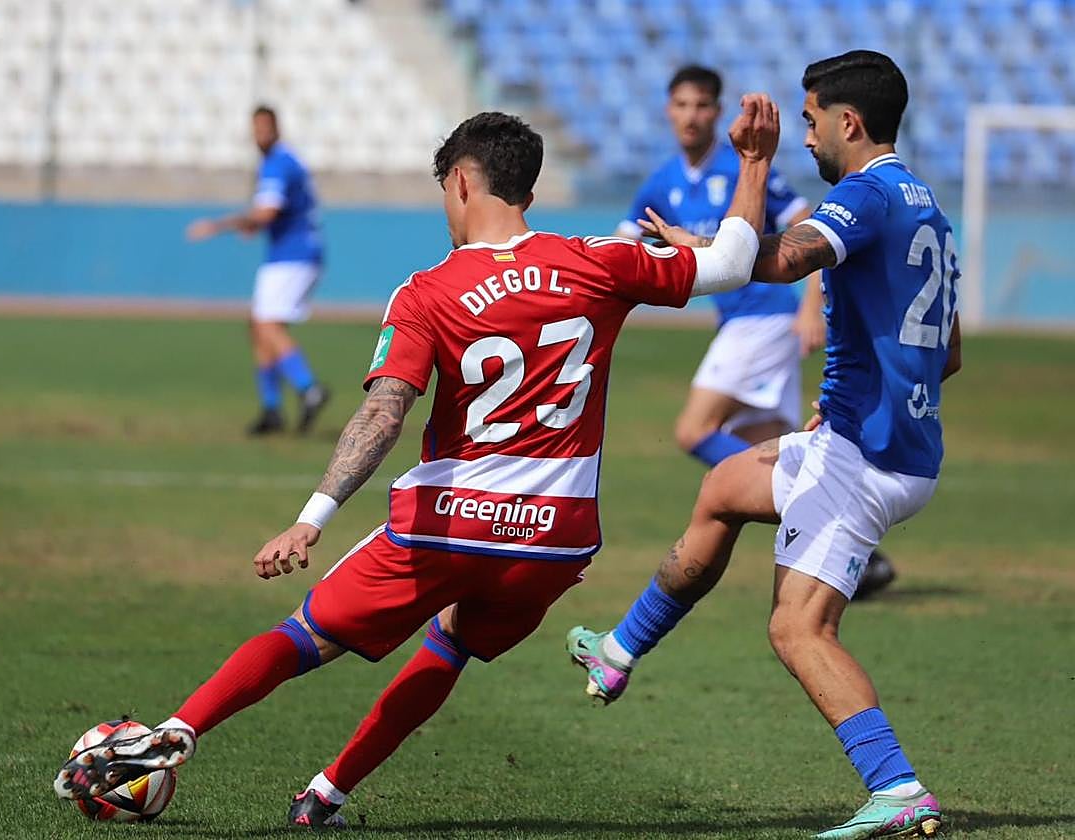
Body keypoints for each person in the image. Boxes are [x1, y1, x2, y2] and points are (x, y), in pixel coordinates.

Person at [54, 98, 781, 827]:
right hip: (555, 541)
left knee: (303, 637)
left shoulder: (428, 291)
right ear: (525, 188)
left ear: (462, 184)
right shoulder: (597, 261)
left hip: (446, 528)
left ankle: (173, 734)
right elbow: (734, 262)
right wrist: (753, 162)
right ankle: (326, 795)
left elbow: (383, 412)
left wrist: (312, 518)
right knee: (453, 644)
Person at [568, 51, 959, 839]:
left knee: (796, 629)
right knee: (724, 490)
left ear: (848, 122)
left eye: (811, 120)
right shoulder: (928, 208)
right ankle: (618, 648)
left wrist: (751, 166)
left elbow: (777, 263)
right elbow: (947, 353)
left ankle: (899, 789)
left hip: (866, 458)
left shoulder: (866, 194)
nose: (805, 136)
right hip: (881, 440)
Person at [621, 65, 895, 599]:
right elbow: (623, 245)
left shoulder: (743, 167)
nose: (691, 116)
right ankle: (854, 556)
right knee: (765, 454)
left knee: (693, 430)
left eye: (702, 105)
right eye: (681, 105)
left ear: (717, 112)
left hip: (764, 317)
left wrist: (811, 305)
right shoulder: (662, 181)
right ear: (667, 111)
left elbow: (811, 228)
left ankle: (832, 532)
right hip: (740, 323)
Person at [186, 105, 329, 435]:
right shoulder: (281, 161)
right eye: (256, 128)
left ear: (277, 128)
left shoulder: (278, 163)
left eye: (265, 127)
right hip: (292, 251)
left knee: (265, 324)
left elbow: (266, 212)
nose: (260, 134)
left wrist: (218, 225)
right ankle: (272, 410)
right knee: (259, 324)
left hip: (294, 254)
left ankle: (309, 388)